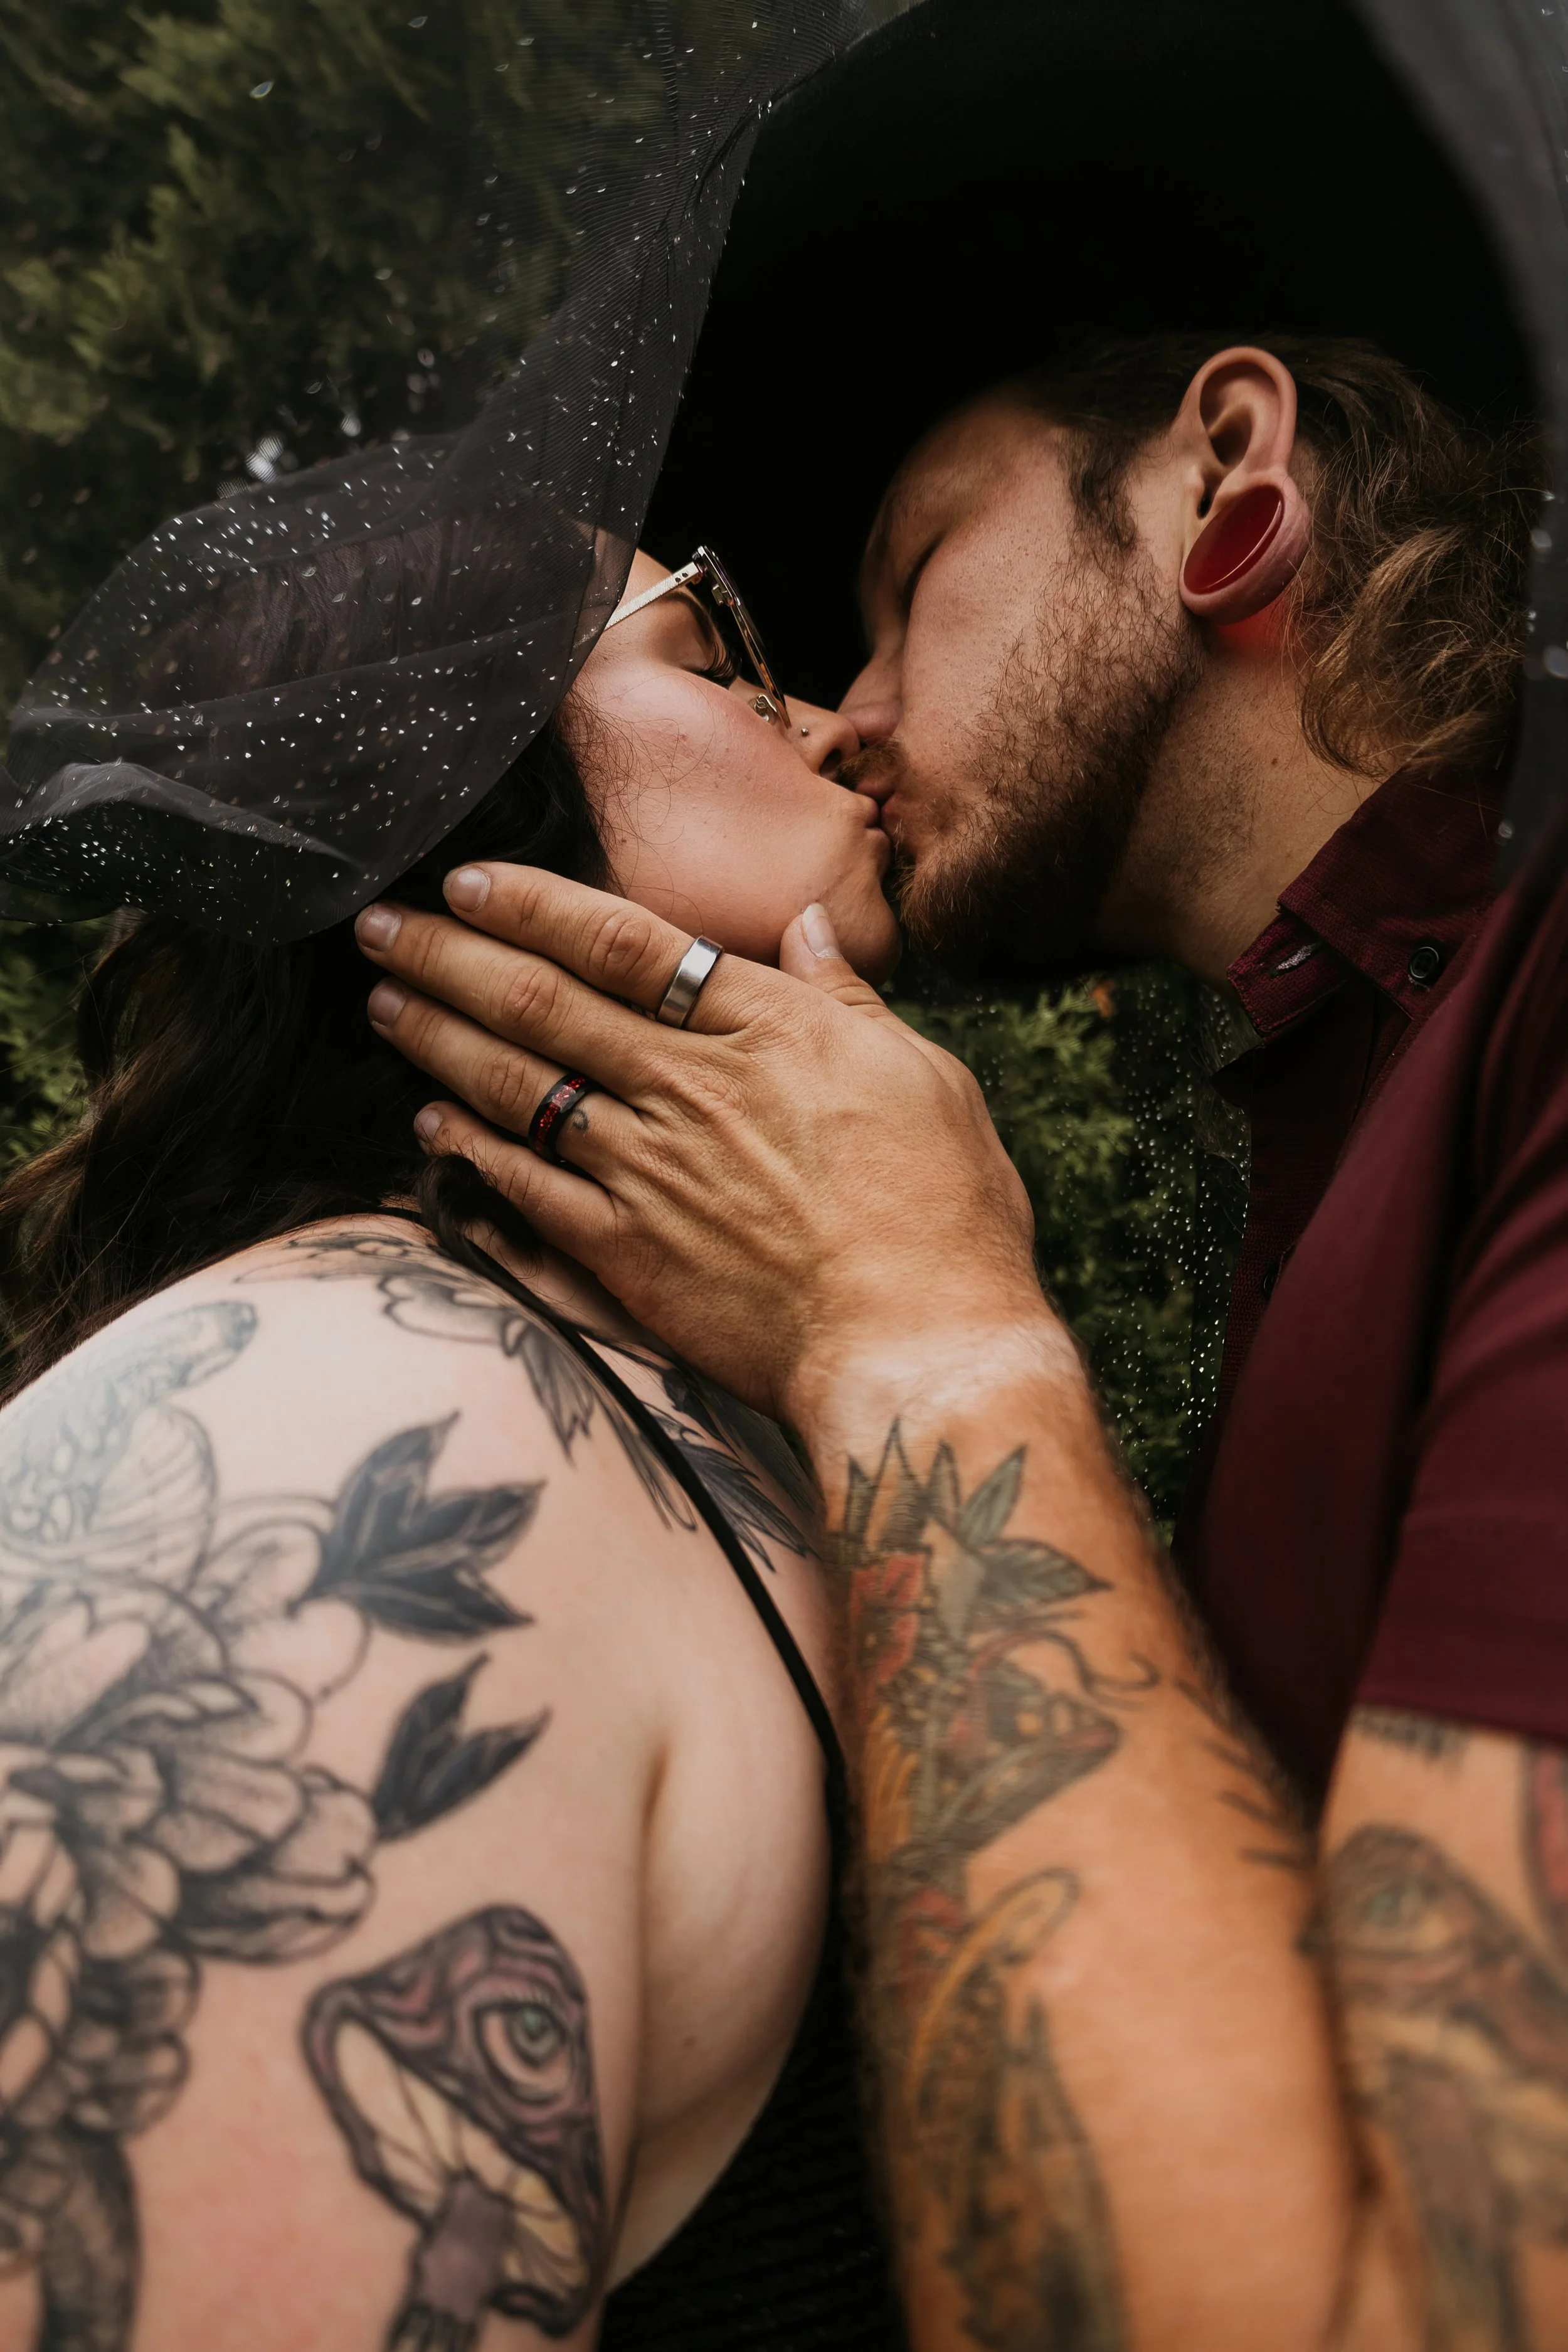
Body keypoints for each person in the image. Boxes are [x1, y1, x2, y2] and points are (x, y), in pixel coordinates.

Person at [355, 319, 1568, 2344]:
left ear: (1226, 480)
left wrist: (913, 1326)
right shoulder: (1330, 1107)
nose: (839, 721)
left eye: (908, 582)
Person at [0, 549, 907, 2352]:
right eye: (716, 637)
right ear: (442, 775)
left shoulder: (644, 1388)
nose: (825, 721)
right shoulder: (334, 1443)